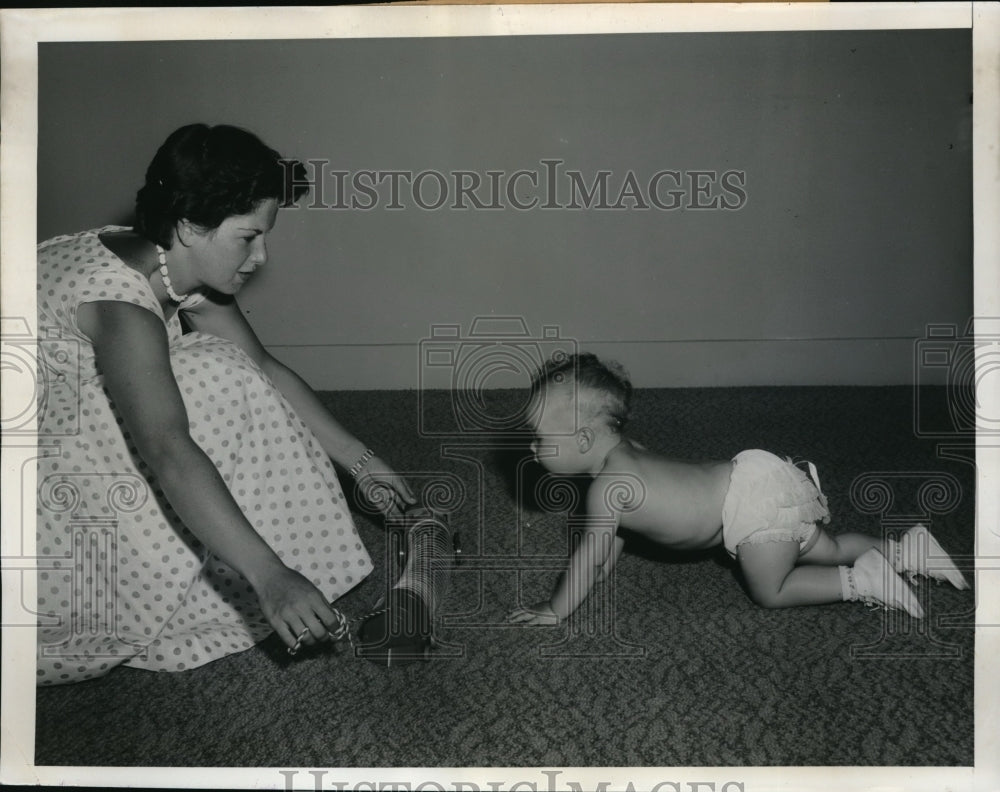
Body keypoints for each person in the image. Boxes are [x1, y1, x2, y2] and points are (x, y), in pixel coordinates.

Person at [35, 123, 415, 685]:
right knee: (213, 378)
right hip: (34, 474)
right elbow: (166, 447)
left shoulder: (166, 260)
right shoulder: (119, 305)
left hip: (59, 425)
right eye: (247, 237)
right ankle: (195, 576)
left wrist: (362, 462)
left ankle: (221, 559)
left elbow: (264, 366)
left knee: (232, 369)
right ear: (190, 226)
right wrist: (270, 577)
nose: (261, 257)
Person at [507, 353, 968, 626]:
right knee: (826, 547)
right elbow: (618, 531)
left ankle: (861, 581)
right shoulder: (627, 453)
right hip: (756, 475)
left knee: (772, 589)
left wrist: (555, 608)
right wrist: (608, 562)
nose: (532, 446)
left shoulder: (604, 491)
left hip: (749, 517)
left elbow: (589, 553)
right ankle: (908, 551)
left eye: (540, 439)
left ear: (584, 441)